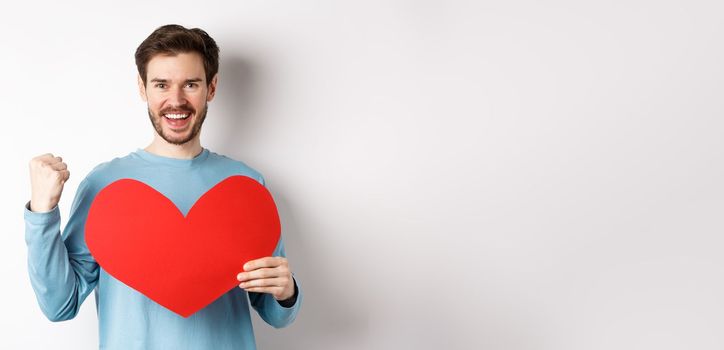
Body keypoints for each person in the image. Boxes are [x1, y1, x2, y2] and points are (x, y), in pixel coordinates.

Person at [24, 24, 301, 349]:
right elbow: (60, 305)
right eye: (161, 85)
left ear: (211, 88)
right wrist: (42, 213)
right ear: (143, 88)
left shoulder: (245, 186)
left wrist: (287, 291)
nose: (176, 100)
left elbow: (277, 315)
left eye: (191, 84)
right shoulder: (104, 185)